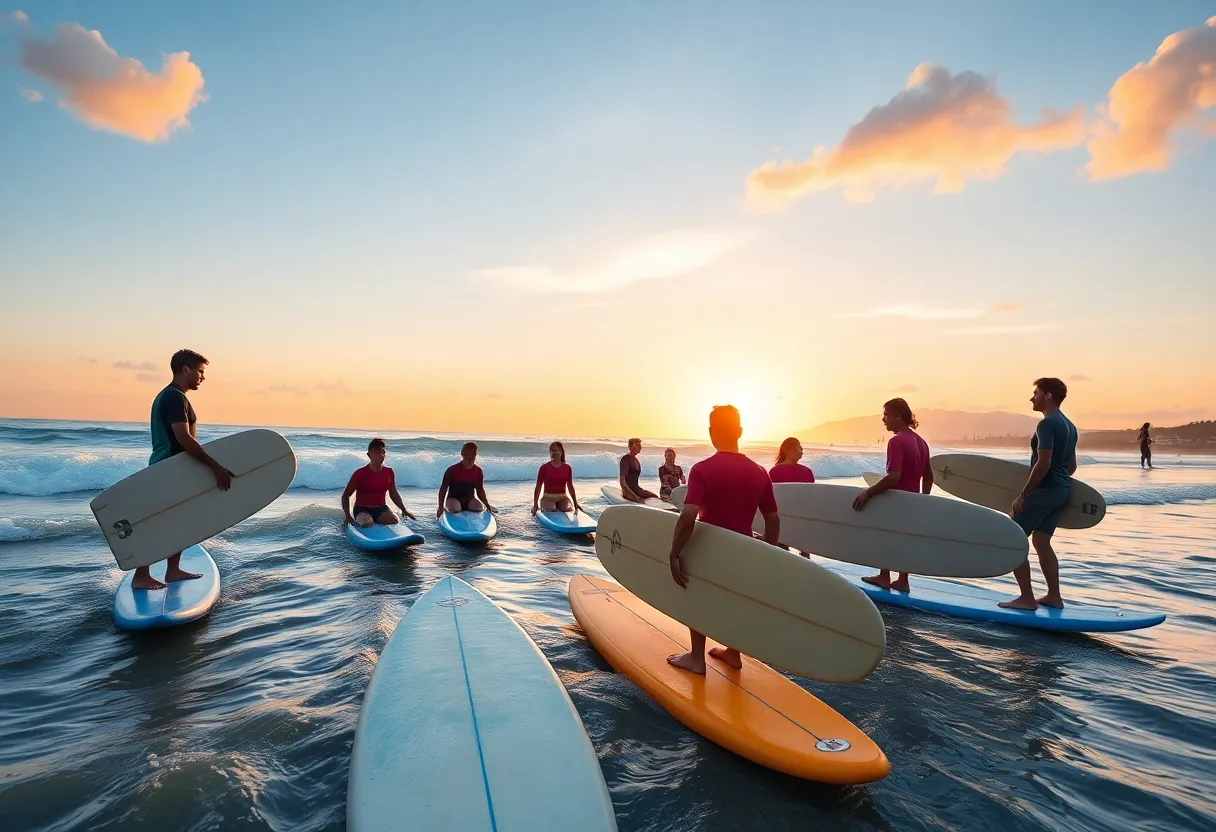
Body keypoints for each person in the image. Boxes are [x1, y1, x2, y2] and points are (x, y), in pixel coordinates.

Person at [667, 406, 780, 675]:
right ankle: (733, 652)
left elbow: (688, 516)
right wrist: (768, 553)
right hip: (743, 548)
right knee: (735, 600)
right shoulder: (760, 471)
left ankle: (696, 658)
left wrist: (674, 553)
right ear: (740, 432)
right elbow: (773, 521)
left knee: (699, 597)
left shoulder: (703, 469)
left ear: (710, 432)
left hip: (710, 548)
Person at [133, 349, 234, 591]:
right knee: (161, 523)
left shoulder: (169, 396)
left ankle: (173, 570)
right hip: (168, 469)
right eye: (200, 371)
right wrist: (215, 467)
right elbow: (184, 439)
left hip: (170, 468)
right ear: (185, 369)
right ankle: (141, 575)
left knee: (180, 520)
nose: (202, 377)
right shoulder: (175, 397)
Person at [999, 377, 1078, 611]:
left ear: (1048, 396)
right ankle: (1054, 596)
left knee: (1012, 538)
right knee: (1041, 541)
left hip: (1046, 490)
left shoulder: (1046, 424)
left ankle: (1027, 598)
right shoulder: (1069, 426)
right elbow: (1070, 467)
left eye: (1035, 393)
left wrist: (1024, 494)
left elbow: (1043, 464)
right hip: (1062, 490)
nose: (1031, 398)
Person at [852, 398, 931, 592]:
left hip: (896, 500)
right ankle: (903, 580)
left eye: (886, 415)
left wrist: (868, 493)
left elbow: (894, 477)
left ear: (898, 416)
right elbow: (929, 475)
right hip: (911, 500)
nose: (883, 419)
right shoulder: (921, 442)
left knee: (884, 535)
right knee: (904, 539)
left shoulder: (897, 441)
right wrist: (923, 499)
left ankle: (884, 576)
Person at [341, 438, 416, 528]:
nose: (382, 455)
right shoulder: (360, 473)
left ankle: (375, 520)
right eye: (378, 452)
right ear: (369, 455)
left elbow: (393, 493)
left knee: (394, 521)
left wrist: (404, 510)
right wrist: (348, 515)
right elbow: (346, 494)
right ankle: (366, 520)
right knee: (367, 523)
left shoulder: (389, 472)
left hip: (381, 509)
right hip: (362, 509)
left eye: (383, 452)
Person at [438, 441, 497, 517]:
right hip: (453, 499)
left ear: (475, 456)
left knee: (478, 509)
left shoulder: (478, 471)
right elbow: (443, 489)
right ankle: (448, 508)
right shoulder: (452, 470)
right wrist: (440, 507)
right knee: (456, 510)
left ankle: (486, 506)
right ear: (462, 455)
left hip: (469, 499)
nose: (470, 461)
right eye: (467, 458)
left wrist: (487, 504)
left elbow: (480, 490)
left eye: (472, 458)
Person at [532, 441, 584, 515]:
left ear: (561, 452)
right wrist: (535, 504)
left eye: (555, 450)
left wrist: (575, 504)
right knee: (551, 509)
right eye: (551, 451)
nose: (553, 453)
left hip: (562, 497)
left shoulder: (567, 468)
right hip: (548, 497)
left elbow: (570, 487)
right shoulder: (544, 468)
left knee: (568, 509)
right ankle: (547, 506)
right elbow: (538, 486)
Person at [619, 438, 659, 502]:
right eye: (639, 445)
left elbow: (635, 484)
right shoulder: (626, 459)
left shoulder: (636, 460)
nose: (641, 447)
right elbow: (622, 482)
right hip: (628, 492)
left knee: (654, 496)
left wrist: (640, 493)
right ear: (632, 447)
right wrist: (636, 498)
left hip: (637, 490)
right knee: (646, 498)